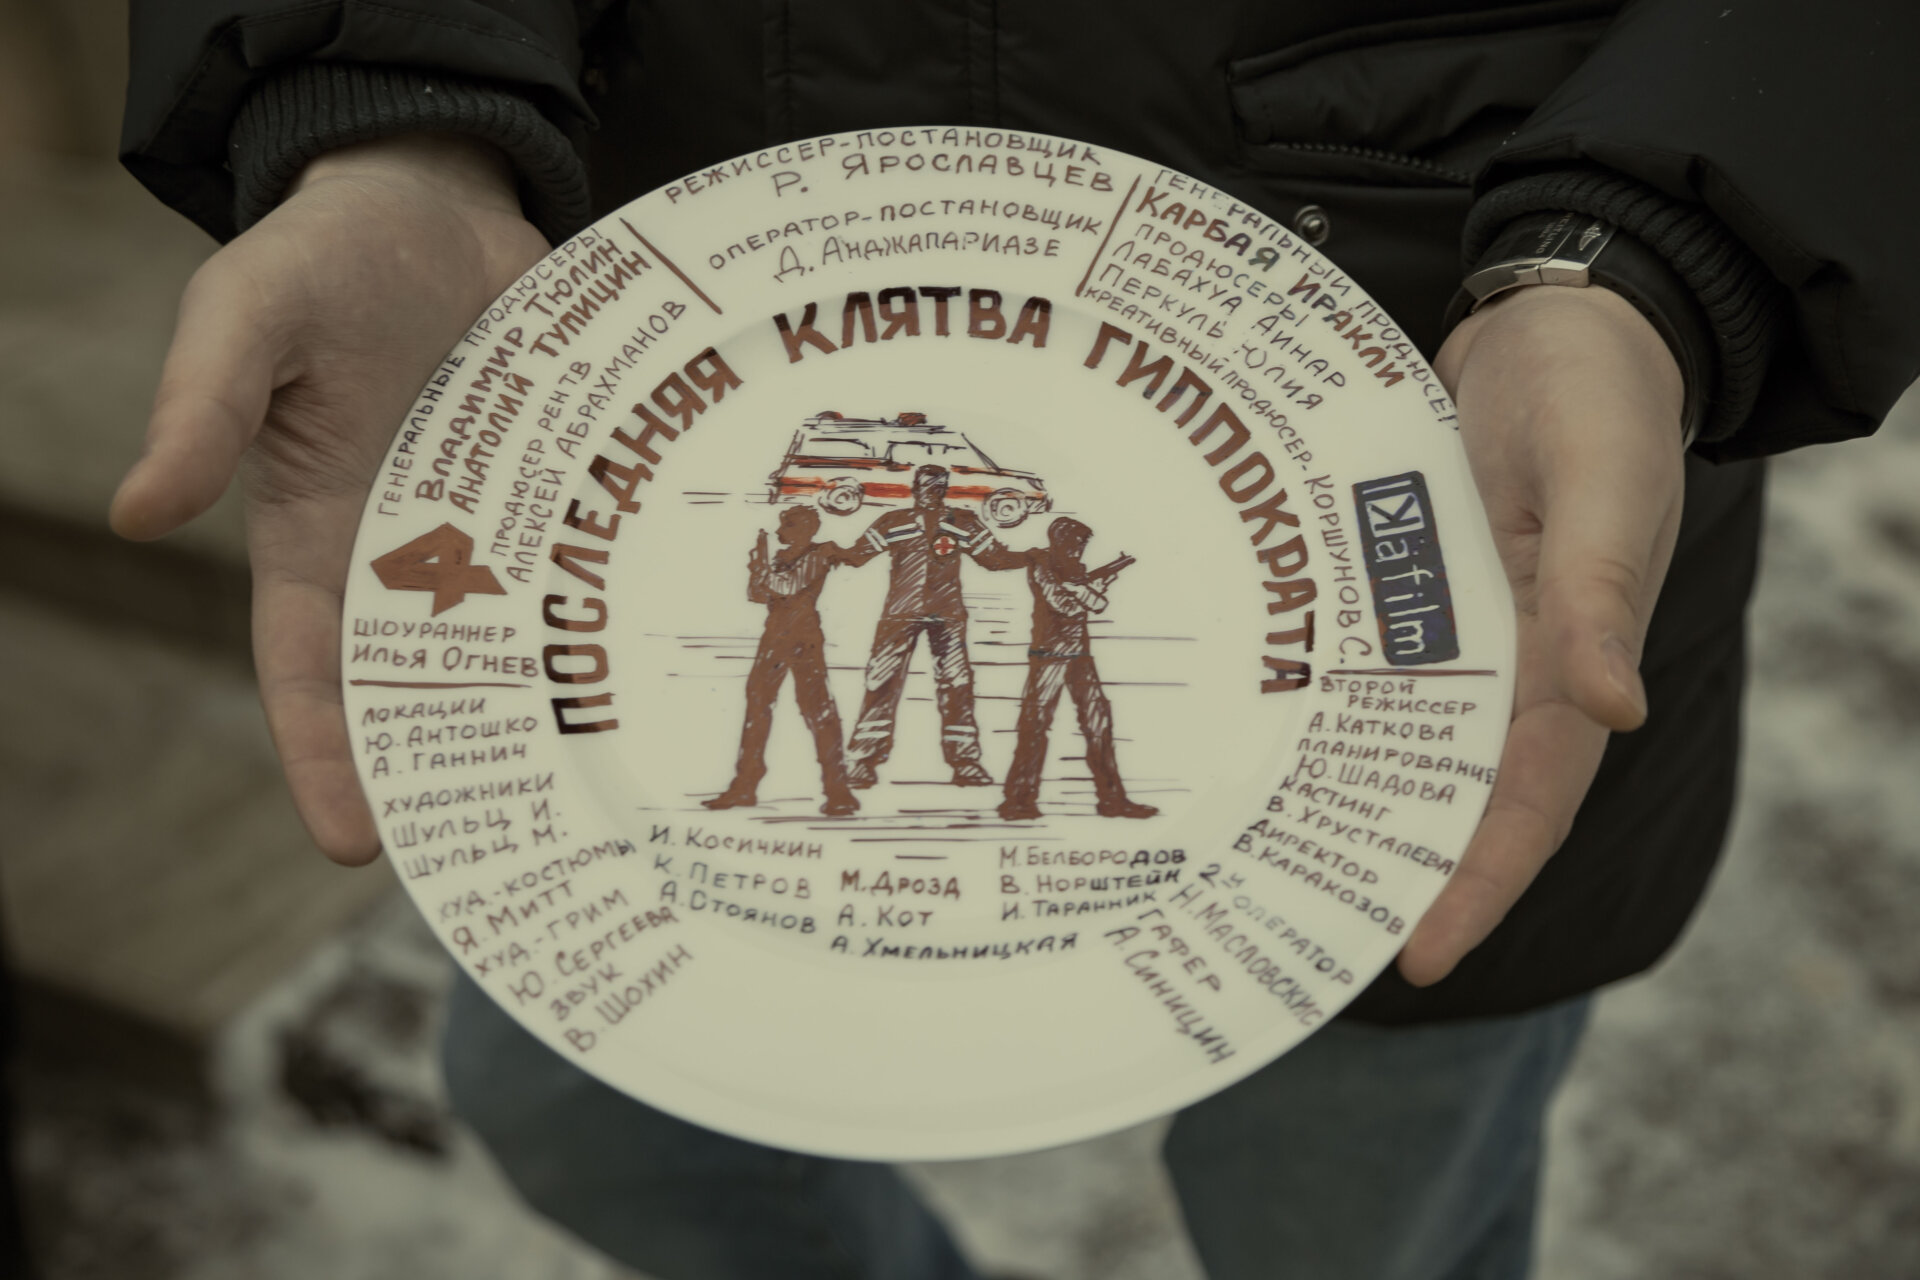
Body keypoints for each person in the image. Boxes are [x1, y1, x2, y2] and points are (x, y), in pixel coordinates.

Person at [111, 3, 1919, 1278]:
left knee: (1355, 1223)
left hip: (1443, 504)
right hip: (678, 403)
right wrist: (384, 88)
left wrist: (1653, 246)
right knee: (589, 1115)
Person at [838, 464, 1025, 789]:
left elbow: (994, 560)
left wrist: (1036, 556)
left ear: (945, 489)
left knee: (957, 685)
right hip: (900, 614)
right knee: (881, 682)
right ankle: (862, 762)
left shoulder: (962, 521)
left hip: (947, 615)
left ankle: (965, 763)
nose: (931, 492)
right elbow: (856, 556)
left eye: (938, 487)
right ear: (914, 488)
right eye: (926, 486)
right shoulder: (892, 522)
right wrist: (821, 551)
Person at [705, 505, 861, 818]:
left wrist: (763, 569)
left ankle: (837, 790)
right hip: (774, 636)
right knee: (757, 704)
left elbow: (788, 586)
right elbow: (757, 595)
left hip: (804, 639)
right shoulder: (780, 558)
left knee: (818, 709)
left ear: (806, 528)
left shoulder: (820, 554)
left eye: (787, 526)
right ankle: (745, 784)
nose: (780, 532)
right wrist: (758, 568)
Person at [998, 517, 1154, 822]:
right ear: (1062, 541)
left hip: (1079, 655)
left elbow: (1097, 605)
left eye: (1082, 545)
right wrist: (1089, 592)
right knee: (1035, 726)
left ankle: (1113, 799)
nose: (1080, 550)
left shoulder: (1075, 570)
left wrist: (1088, 590)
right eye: (1077, 544)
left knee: (1099, 725)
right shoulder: (1041, 563)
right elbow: (1064, 604)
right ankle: (1018, 800)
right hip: (1049, 655)